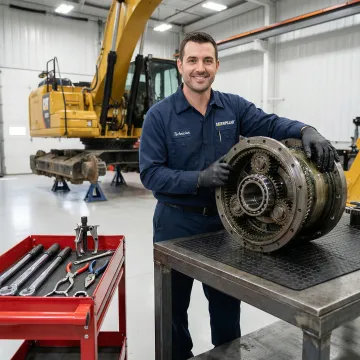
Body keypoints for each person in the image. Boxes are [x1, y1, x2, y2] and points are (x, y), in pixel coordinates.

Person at [139, 32, 339, 360]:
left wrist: (306, 130)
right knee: (173, 309)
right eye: (192, 60)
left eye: (207, 60)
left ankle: (228, 355)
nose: (199, 68)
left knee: (226, 307)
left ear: (216, 65)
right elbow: (150, 173)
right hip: (175, 224)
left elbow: (271, 123)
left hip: (225, 226)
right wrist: (199, 178)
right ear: (180, 65)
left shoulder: (232, 107)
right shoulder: (159, 117)